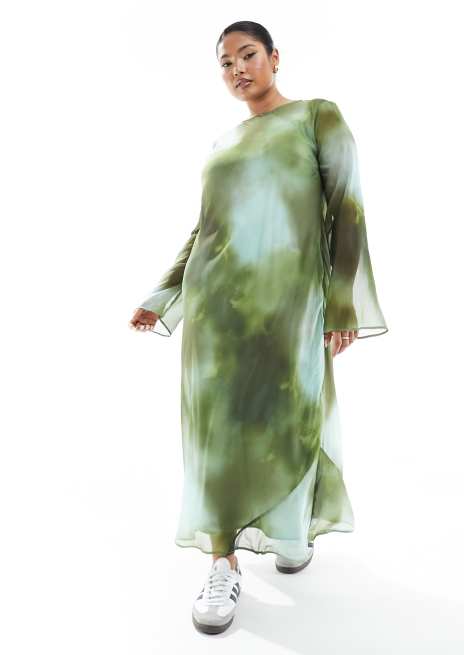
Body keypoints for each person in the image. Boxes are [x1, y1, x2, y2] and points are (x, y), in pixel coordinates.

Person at [129, 20, 388, 634]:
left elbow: (347, 209)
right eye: (225, 63)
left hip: (289, 303)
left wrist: (342, 303)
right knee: (216, 431)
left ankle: (288, 528)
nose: (237, 69)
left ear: (274, 57)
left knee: (289, 413)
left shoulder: (317, 117)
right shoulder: (223, 144)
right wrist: (164, 293)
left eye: (247, 55)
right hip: (217, 311)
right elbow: (206, 229)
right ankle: (222, 561)